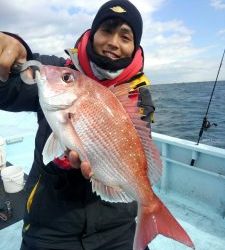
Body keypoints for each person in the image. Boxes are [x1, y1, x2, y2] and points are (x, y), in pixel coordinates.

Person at [0, 0, 155, 249]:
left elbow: (137, 150)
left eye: (125, 36)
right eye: (106, 30)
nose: (113, 42)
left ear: (135, 47)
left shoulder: (139, 96)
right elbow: (8, 86)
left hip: (118, 227)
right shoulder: (58, 70)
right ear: (93, 34)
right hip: (51, 224)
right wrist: (11, 49)